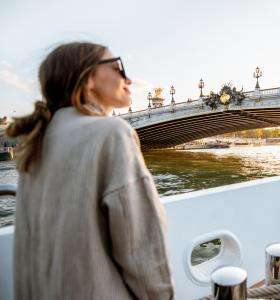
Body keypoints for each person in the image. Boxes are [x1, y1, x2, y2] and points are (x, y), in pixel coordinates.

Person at [6, 42, 173, 299]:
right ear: (88, 78)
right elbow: (141, 250)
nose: (128, 79)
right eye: (118, 67)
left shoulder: (37, 144)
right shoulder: (112, 133)